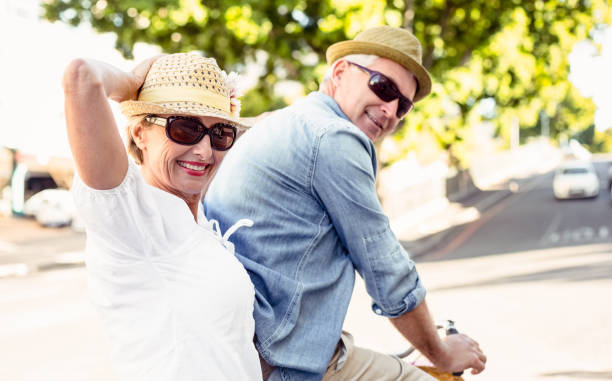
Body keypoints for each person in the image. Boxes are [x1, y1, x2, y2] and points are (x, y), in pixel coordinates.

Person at [204, 26, 487, 381]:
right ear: (339, 73)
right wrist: (442, 353)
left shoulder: (279, 123)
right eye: (383, 87)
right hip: (282, 360)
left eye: (404, 105)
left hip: (245, 345)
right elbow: (387, 271)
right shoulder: (334, 136)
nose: (390, 110)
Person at [62, 53, 262, 381]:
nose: (205, 151)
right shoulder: (134, 215)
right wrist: (133, 83)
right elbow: (81, 76)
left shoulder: (196, 224)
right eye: (184, 128)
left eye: (220, 133)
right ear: (140, 132)